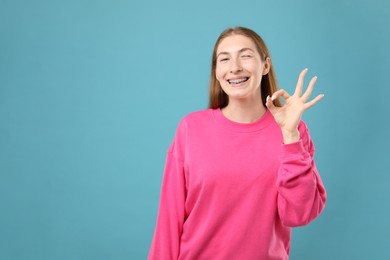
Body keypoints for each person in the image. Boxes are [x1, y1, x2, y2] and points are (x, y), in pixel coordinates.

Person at [148, 26, 326, 260]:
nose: (235, 67)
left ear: (265, 65)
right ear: (217, 72)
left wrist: (290, 135)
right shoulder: (191, 129)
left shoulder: (292, 130)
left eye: (245, 55)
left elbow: (299, 215)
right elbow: (168, 221)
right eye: (224, 59)